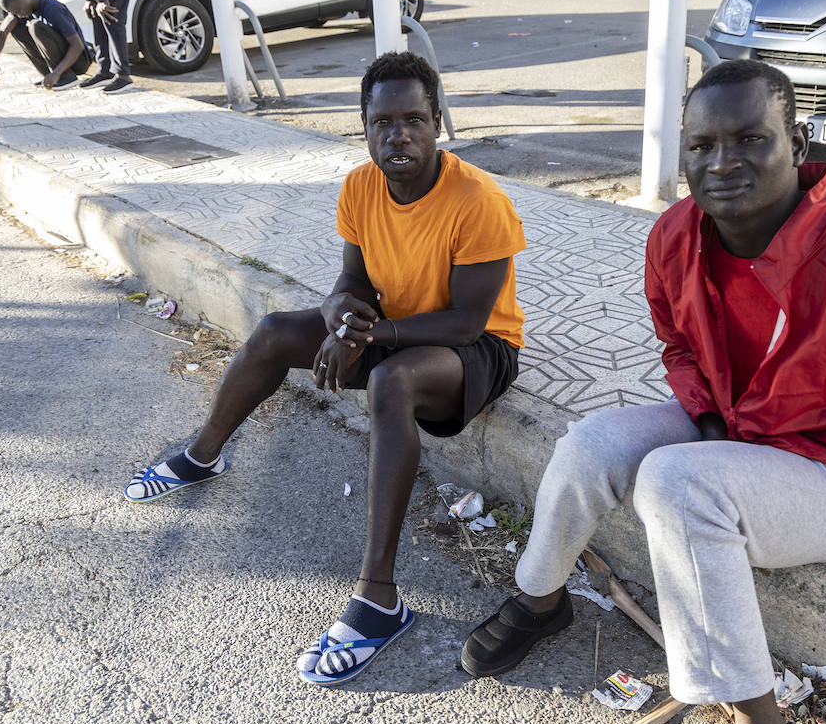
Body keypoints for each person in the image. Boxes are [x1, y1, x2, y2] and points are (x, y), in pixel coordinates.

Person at [461, 60, 826, 724]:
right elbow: (678, 345)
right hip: (728, 426)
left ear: (796, 142)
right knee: (592, 442)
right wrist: (707, 412)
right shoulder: (674, 236)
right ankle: (540, 597)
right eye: (702, 146)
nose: (722, 164)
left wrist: (765, 440)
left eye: (750, 140)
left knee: (678, 483)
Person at [124, 51, 527, 687]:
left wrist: (365, 335)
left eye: (415, 120)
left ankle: (377, 600)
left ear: (439, 122)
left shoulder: (479, 200)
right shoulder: (359, 187)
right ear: (363, 127)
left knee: (393, 380)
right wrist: (342, 318)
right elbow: (350, 281)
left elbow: (467, 323)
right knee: (277, 331)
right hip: (390, 324)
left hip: (472, 351)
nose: (399, 135)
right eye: (383, 121)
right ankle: (202, 455)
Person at [0, 0, 92, 91]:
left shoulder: (53, 9)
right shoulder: (23, 10)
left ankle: (65, 76)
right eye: (15, 13)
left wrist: (57, 73)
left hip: (79, 62)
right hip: (58, 63)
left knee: (35, 26)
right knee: (15, 26)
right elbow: (1, 32)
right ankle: (48, 74)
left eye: (19, 10)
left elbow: (77, 45)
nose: (19, 15)